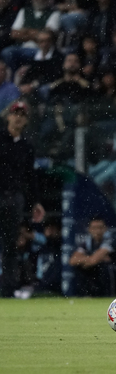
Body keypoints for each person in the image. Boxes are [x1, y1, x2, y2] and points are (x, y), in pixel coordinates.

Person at [0, 101, 45, 297]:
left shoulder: (27, 146)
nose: (18, 117)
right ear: (8, 116)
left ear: (26, 120)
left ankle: (7, 289)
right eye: (15, 113)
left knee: (10, 244)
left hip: (13, 199)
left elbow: (30, 176)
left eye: (22, 114)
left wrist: (35, 202)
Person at [68, 216, 115, 296]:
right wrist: (89, 260)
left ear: (105, 229)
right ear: (89, 229)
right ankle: (85, 296)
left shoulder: (111, 240)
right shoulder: (88, 242)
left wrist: (86, 260)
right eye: (94, 228)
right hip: (94, 273)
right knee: (80, 267)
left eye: (100, 228)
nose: (97, 231)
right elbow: (72, 260)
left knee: (103, 267)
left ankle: (108, 296)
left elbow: (94, 260)